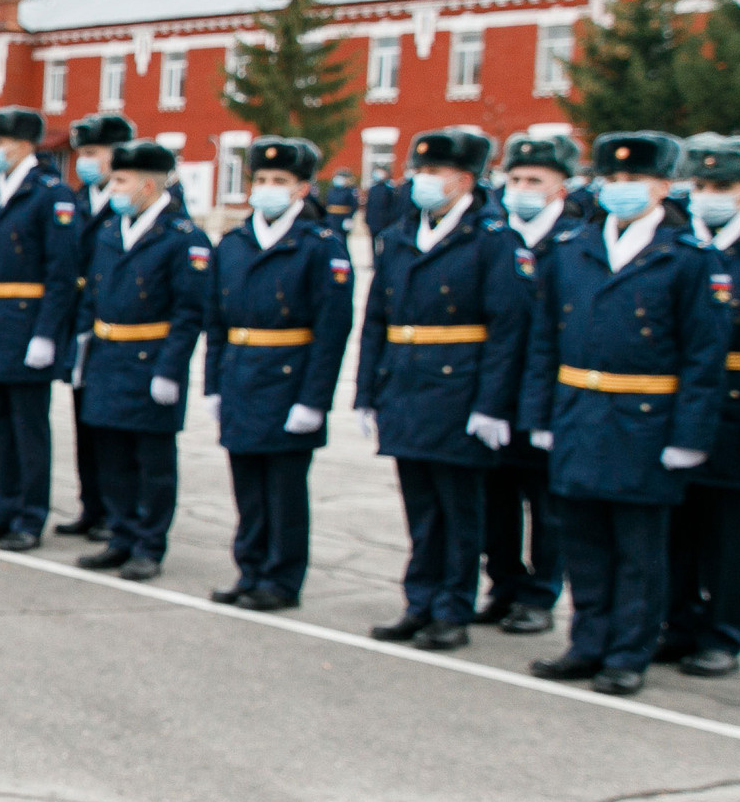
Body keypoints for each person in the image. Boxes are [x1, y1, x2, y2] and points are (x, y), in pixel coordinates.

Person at [521, 130, 727, 695]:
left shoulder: (687, 258)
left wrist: (689, 435)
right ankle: (587, 643)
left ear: (664, 186)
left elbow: (703, 356)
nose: (621, 189)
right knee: (583, 541)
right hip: (579, 412)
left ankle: (628, 653)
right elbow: (544, 343)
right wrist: (540, 416)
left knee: (639, 549)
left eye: (634, 179)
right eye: (612, 179)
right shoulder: (572, 249)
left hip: (646, 420)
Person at [356, 128, 527, 650]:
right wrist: (367, 391)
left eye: (434, 172)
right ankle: (419, 602)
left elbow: (508, 329)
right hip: (406, 385)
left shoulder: (493, 240)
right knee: (421, 508)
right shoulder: (401, 235)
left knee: (460, 510)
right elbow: (376, 320)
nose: (421, 181)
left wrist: (493, 404)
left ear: (465, 180)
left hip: (460, 389)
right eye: (419, 171)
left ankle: (452, 608)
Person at [206, 137, 354, 610]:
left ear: (302, 188)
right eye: (262, 180)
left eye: (280, 181)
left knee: (283, 490)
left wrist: (315, 400)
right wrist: (213, 384)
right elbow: (217, 322)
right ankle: (249, 569)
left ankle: (281, 578)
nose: (268, 188)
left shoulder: (318, 246)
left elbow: (332, 331)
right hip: (242, 374)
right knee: (247, 484)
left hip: (289, 379)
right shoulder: (234, 242)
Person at [71, 139, 208, 581]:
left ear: (149, 185)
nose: (114, 188)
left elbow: (190, 312)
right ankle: (121, 536)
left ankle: (149, 545)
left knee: (152, 463)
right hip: (109, 356)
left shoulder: (183, 238)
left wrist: (171, 369)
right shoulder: (112, 231)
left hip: (151, 359)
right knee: (111, 456)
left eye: (122, 180)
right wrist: (83, 347)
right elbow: (93, 294)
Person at [0, 105, 82, 551]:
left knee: (28, 429)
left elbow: (61, 273)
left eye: (1, 142)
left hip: (27, 324)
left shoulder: (49, 194)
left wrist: (47, 333)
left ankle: (29, 517)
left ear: (26, 145)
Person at [481, 134, 581, 633]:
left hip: (546, 395)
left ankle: (540, 595)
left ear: (561, 187)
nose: (521, 188)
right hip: (493, 390)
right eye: (515, 179)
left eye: (534, 181)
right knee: (494, 499)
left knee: (546, 505)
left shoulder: (575, 242)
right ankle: (502, 585)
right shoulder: (493, 236)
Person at [662, 134, 740, 676]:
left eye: (723, 186)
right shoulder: (676, 242)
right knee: (676, 525)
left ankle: (722, 632)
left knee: (728, 533)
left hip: (738, 407)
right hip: (676, 405)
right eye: (700, 185)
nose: (709, 196)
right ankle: (678, 623)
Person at [57, 112, 134, 541]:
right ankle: (92, 505)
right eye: (81, 153)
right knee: (83, 419)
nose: (85, 161)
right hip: (81, 322)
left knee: (111, 429)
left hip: (114, 323)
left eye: (92, 153)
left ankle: (114, 511)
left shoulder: (130, 200)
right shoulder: (78, 199)